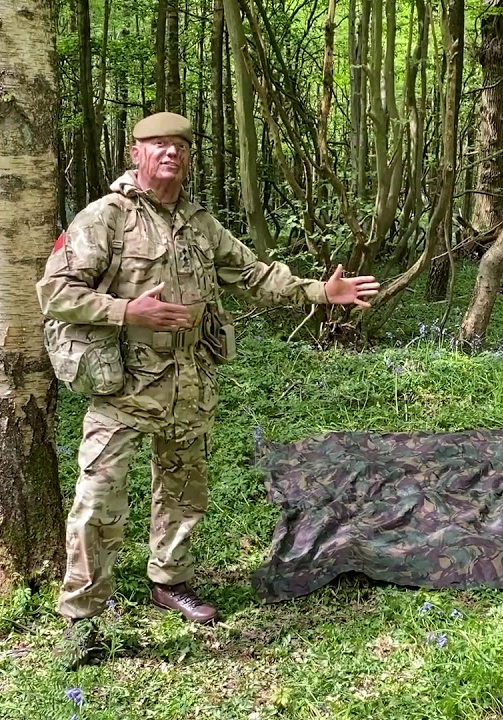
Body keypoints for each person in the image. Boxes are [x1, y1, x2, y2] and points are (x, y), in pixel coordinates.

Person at [35, 112, 378, 666]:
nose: (170, 154)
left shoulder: (199, 223)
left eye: (179, 147)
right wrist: (127, 310)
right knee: (97, 502)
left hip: (188, 384)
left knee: (183, 493)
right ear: (135, 153)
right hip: (123, 387)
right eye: (158, 146)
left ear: (188, 158)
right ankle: (82, 617)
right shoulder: (105, 218)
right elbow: (55, 293)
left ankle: (169, 580)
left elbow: (254, 275)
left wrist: (320, 290)